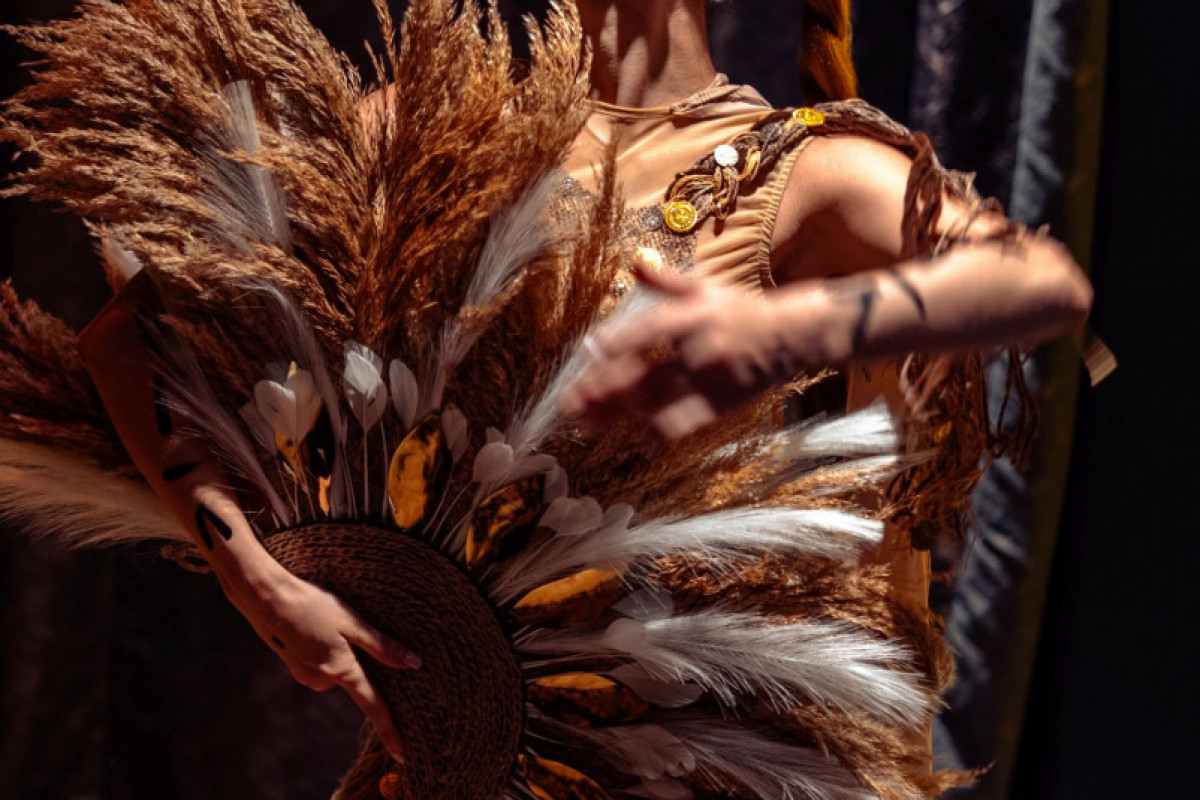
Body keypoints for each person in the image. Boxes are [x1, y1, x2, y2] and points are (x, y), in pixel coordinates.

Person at [12, 0, 1091, 795]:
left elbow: (1037, 281)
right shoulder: (417, 130)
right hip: (452, 749)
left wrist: (785, 328)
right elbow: (133, 335)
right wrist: (255, 576)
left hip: (683, 758)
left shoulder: (800, 171)